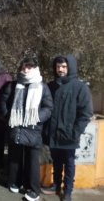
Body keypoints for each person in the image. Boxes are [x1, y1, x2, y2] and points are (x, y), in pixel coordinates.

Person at [41, 55, 93, 201]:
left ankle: (67, 190)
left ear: (70, 67)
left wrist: (75, 132)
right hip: (53, 132)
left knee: (69, 163)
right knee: (56, 160)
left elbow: (85, 113)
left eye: (63, 66)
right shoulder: (51, 86)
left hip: (69, 134)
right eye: (58, 67)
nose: (60, 69)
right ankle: (56, 184)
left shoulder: (80, 87)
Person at [1, 56, 53, 201]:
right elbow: (4, 102)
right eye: (24, 67)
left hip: (32, 128)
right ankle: (14, 182)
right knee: (14, 157)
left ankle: (33, 190)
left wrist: (36, 118)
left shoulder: (42, 86)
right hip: (15, 126)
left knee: (32, 161)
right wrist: (8, 117)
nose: (26, 70)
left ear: (35, 68)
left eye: (29, 67)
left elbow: (48, 107)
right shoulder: (13, 85)